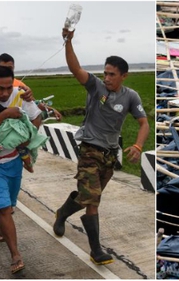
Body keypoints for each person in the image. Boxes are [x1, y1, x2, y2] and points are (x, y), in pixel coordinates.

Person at [53, 28, 149, 265]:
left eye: (112, 74)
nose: (107, 78)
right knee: (93, 200)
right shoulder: (96, 87)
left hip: (110, 154)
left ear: (123, 76)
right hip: (89, 151)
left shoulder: (131, 97)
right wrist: (68, 42)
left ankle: (62, 213)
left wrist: (137, 145)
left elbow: (144, 123)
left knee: (88, 197)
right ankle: (96, 250)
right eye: (105, 73)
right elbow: (75, 68)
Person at [0, 65, 43, 274]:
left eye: (8, 88)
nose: (5, 93)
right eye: (0, 88)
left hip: (13, 161)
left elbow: (36, 120)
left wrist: (24, 137)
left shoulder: (21, 96)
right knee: (4, 207)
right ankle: (15, 256)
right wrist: (5, 115)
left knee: (9, 206)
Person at [0, 53, 61, 200]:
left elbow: (34, 105)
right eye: (3, 68)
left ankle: (25, 166)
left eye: (10, 69)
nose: (5, 92)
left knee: (23, 153)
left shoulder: (20, 88)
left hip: (15, 136)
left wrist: (46, 108)